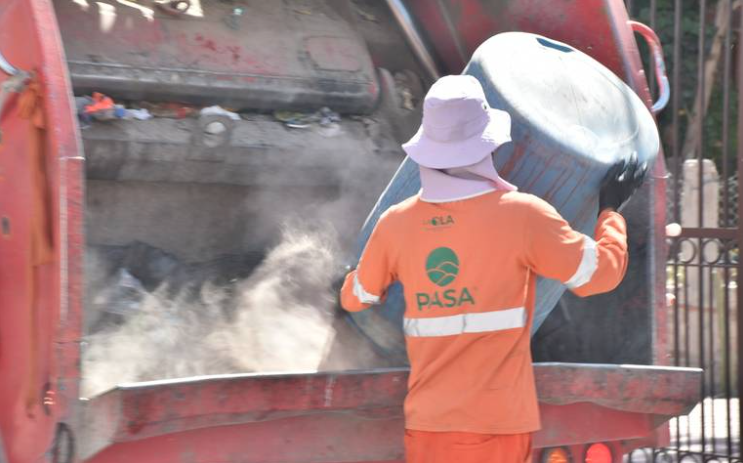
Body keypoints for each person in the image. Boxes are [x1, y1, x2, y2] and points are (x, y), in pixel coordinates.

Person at [339, 75, 647, 463]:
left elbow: (358, 297)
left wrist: (347, 283)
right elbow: (599, 275)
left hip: (429, 425)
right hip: (498, 424)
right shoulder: (523, 216)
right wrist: (610, 211)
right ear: (488, 144)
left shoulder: (396, 224)